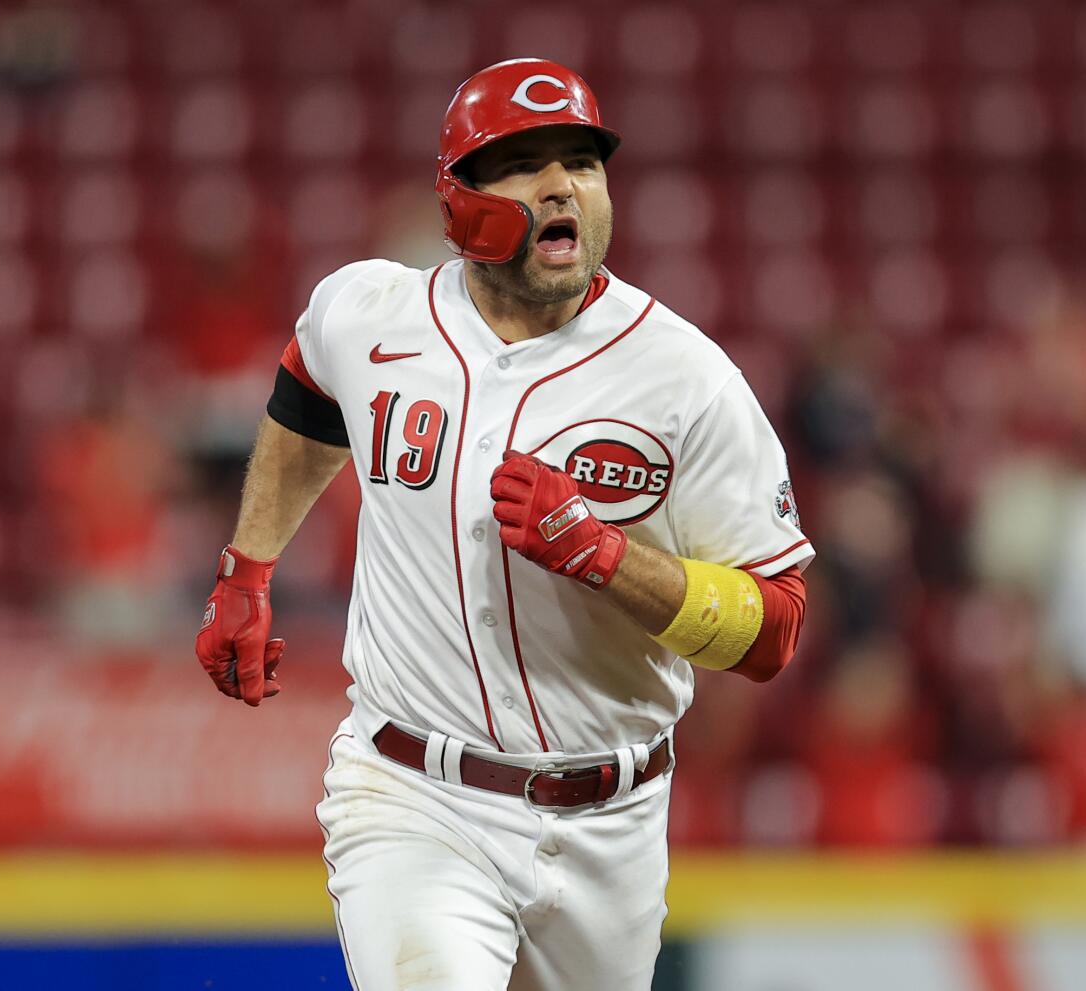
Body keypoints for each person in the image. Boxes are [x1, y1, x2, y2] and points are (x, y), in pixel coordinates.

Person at [194, 58, 813, 991]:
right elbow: (309, 387)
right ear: (459, 202)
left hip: (613, 818)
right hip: (413, 792)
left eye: (583, 161)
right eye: (523, 162)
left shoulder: (688, 381)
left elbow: (774, 628)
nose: (562, 183)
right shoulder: (371, 314)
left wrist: (613, 560)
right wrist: (248, 568)